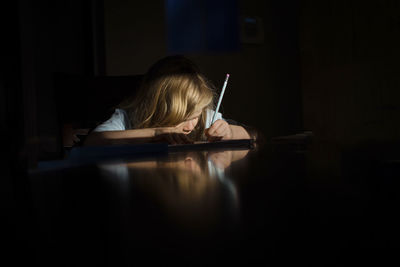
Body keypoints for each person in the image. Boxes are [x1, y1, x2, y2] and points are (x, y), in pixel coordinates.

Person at [84, 55, 253, 146]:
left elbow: (256, 135)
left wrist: (229, 132)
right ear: (156, 108)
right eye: (182, 119)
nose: (190, 126)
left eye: (194, 117)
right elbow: (93, 142)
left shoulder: (205, 119)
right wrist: (156, 134)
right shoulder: (128, 118)